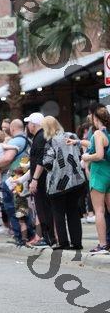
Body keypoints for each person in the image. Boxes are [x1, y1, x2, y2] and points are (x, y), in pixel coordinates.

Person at [69, 106, 110, 253]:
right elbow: (95, 146)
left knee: (99, 211)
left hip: (98, 174)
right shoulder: (107, 133)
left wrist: (86, 157)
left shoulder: (98, 133)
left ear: (95, 118)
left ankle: (103, 244)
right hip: (108, 171)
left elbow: (98, 155)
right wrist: (78, 142)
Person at [43, 116, 85, 250]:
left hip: (58, 183)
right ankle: (77, 243)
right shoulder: (72, 136)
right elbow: (80, 153)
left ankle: (63, 242)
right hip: (76, 180)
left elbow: (47, 163)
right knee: (73, 211)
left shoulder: (50, 142)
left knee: (58, 212)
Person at [0, 119, 36, 247]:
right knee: (22, 209)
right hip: (22, 178)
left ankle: (20, 237)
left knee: (13, 209)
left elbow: (7, 158)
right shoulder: (28, 141)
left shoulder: (15, 141)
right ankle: (29, 235)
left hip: (12, 180)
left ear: (12, 129)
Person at [25, 112, 56, 248]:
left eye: (29, 123)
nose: (28, 126)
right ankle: (48, 237)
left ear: (33, 124)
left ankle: (48, 238)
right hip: (44, 179)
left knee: (43, 209)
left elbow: (41, 161)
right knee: (44, 208)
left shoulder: (39, 138)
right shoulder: (41, 136)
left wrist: (35, 179)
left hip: (41, 180)